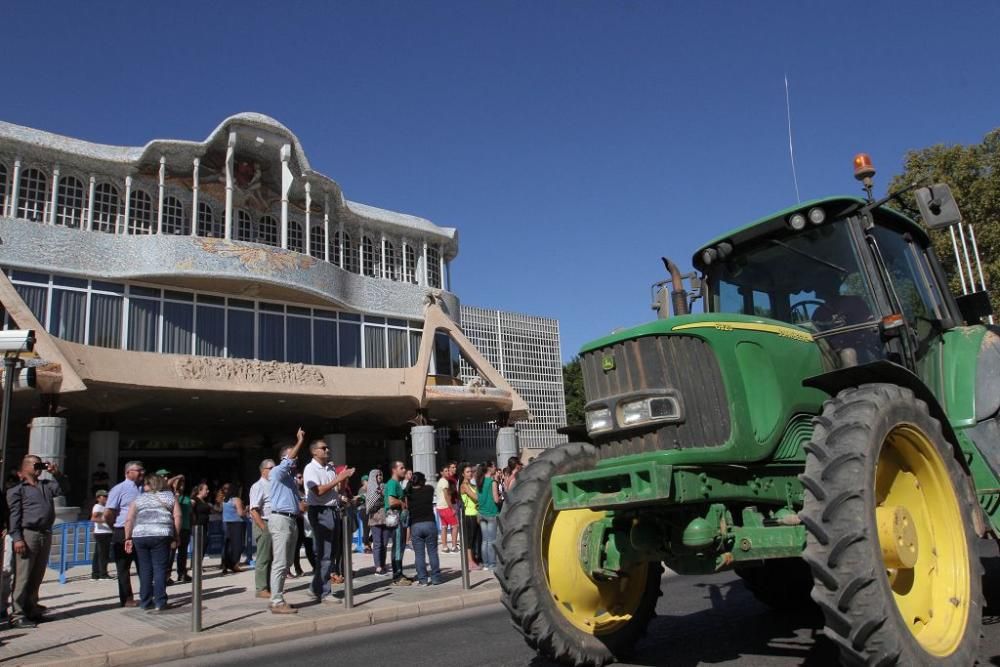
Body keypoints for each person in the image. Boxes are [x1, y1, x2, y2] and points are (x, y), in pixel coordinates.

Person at [6, 455, 61, 628]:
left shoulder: (46, 486)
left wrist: (57, 474)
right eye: (34, 464)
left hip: (45, 533)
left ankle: (32, 609)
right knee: (23, 577)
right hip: (28, 535)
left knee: (37, 575)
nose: (38, 467)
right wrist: (17, 538)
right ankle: (17, 614)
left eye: (40, 464)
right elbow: (14, 517)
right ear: (25, 468)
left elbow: (64, 489)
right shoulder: (17, 490)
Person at [304, 440, 354, 602]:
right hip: (320, 511)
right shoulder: (310, 469)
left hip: (333, 510)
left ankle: (315, 587)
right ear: (314, 452)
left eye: (327, 447)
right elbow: (318, 491)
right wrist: (338, 478)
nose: (327, 450)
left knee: (332, 552)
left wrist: (344, 478)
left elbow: (336, 490)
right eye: (323, 448)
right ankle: (324, 592)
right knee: (325, 553)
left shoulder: (329, 468)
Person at [124, 474, 181, 612]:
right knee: (160, 568)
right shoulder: (170, 497)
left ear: (148, 485)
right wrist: (176, 536)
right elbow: (177, 516)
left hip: (140, 535)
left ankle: (145, 601)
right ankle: (160, 601)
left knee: (145, 569)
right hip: (161, 534)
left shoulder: (138, 499)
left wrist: (128, 538)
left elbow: (129, 519)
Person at [267, 428, 308, 614]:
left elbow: (295, 501)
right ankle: (276, 601)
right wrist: (299, 441)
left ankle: (278, 596)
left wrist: (301, 505)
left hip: (291, 519)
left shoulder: (290, 479)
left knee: (287, 560)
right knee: (281, 561)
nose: (296, 460)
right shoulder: (277, 472)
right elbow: (288, 461)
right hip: (281, 519)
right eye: (293, 457)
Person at [105, 460, 145, 607]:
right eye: (138, 470)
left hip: (141, 531)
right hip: (122, 531)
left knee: (144, 565)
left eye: (142, 470)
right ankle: (127, 598)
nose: (142, 473)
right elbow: (109, 512)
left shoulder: (144, 489)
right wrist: (114, 527)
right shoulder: (119, 489)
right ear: (128, 472)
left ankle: (146, 595)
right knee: (123, 568)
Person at [407, 472, 441, 586]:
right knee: (432, 552)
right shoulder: (429, 489)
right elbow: (427, 486)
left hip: (416, 525)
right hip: (430, 523)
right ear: (422, 481)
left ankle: (423, 579)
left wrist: (408, 481)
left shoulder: (409, 493)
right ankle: (435, 578)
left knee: (419, 555)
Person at [249, 459, 274, 599]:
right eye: (271, 468)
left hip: (274, 522)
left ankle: (268, 586)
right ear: (263, 470)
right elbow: (253, 510)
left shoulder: (273, 485)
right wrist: (263, 528)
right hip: (264, 522)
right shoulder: (258, 486)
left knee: (271, 557)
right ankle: (261, 588)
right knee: (263, 557)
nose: (273, 470)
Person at [384, 460, 412, 585]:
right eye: (401, 468)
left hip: (401, 520)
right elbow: (390, 501)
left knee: (400, 547)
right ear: (394, 470)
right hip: (397, 520)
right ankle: (397, 576)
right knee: (397, 548)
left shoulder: (397, 484)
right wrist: (402, 503)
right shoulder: (392, 483)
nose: (404, 470)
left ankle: (399, 573)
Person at [476, 461, 501, 571]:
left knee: (485, 540)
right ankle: (492, 564)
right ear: (490, 468)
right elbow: (496, 499)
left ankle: (485, 563)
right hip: (491, 513)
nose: (495, 467)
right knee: (491, 540)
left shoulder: (479, 481)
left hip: (481, 513)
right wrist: (501, 498)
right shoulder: (492, 482)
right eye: (494, 465)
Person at [365, 468, 390, 576]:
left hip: (385, 518)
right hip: (375, 519)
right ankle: (378, 566)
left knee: (384, 543)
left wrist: (382, 494)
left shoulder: (385, 486)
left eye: (381, 475)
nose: (379, 477)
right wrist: (378, 496)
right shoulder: (370, 488)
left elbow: (389, 499)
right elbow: (369, 504)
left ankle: (383, 564)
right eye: (377, 475)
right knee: (378, 543)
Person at [459, 463, 482, 570]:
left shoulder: (472, 485)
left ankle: (474, 558)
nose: (470, 474)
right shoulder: (464, 486)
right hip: (469, 515)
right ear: (463, 474)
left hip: (475, 514)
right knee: (470, 539)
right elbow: (476, 497)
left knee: (475, 539)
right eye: (467, 472)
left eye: (471, 472)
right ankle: (470, 561)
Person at [292, 473, 314, 577]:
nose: (302, 479)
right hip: (298, 520)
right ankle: (297, 568)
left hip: (307, 520)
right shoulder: (294, 491)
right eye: (299, 477)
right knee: (297, 545)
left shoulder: (305, 491)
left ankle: (315, 566)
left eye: (302, 477)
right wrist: (305, 506)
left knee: (309, 543)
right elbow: (301, 507)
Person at [170, 475, 192, 583]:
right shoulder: (171, 496)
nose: (181, 486)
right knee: (171, 552)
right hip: (174, 528)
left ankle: (182, 573)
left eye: (183, 484)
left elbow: (191, 513)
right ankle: (167, 575)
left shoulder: (187, 498)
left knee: (183, 553)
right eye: (179, 484)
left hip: (186, 527)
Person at [220, 483, 246, 574]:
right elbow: (240, 513)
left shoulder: (223, 500)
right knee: (238, 545)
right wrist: (246, 510)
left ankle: (225, 564)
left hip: (226, 523)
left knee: (227, 545)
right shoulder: (236, 499)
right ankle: (235, 564)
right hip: (236, 523)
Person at [435, 463, 458, 553]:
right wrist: (451, 507)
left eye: (448, 470)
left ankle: (444, 546)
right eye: (446, 471)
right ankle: (454, 546)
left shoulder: (440, 481)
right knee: (455, 526)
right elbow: (446, 495)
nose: (448, 472)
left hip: (440, 507)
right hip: (445, 507)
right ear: (441, 473)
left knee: (444, 527)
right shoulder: (444, 482)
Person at [90, 489, 113, 580]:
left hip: (102, 533)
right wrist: (107, 521)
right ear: (98, 498)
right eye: (104, 496)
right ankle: (103, 574)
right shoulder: (98, 507)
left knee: (98, 554)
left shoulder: (104, 507)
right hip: (103, 533)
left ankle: (95, 574)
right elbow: (93, 518)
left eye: (107, 496)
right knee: (103, 554)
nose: (106, 498)